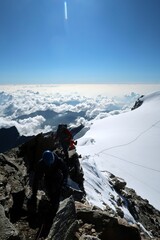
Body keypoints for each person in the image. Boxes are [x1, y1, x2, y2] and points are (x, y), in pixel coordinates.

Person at [29, 150, 68, 235]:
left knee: (56, 194)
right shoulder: (41, 164)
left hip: (57, 177)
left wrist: (64, 181)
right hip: (48, 179)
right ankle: (52, 208)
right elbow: (36, 179)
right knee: (51, 193)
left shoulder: (58, 160)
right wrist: (34, 192)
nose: (50, 164)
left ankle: (54, 209)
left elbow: (65, 170)